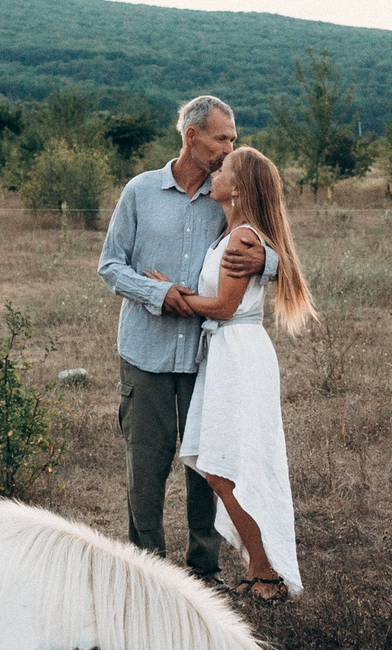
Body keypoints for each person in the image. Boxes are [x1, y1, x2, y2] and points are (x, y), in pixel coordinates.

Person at [97, 96, 273, 581]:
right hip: (145, 355)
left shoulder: (228, 197)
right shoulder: (140, 192)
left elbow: (271, 233)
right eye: (222, 138)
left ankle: (204, 573)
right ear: (191, 136)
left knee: (206, 467)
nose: (229, 148)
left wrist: (268, 262)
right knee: (146, 470)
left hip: (205, 357)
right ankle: (148, 574)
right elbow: (110, 265)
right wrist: (158, 292)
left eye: (232, 139)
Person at [165, 146, 315, 600]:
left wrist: (171, 296)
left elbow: (226, 307)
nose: (217, 169)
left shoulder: (242, 239)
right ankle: (257, 568)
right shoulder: (229, 231)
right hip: (226, 353)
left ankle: (267, 572)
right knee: (224, 468)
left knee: (227, 469)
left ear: (240, 186)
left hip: (238, 354)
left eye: (225, 168)